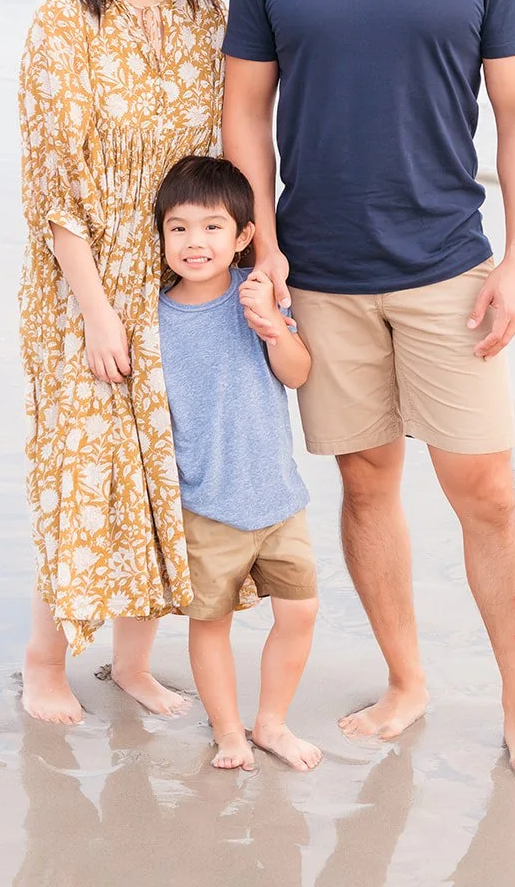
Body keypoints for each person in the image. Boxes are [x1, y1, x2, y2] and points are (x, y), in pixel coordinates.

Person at [221, 0, 515, 790]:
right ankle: (407, 678)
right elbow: (245, 112)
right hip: (321, 278)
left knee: (489, 492)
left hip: (448, 272)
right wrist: (265, 249)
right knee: (368, 485)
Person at [17, 0, 229, 724]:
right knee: (90, 467)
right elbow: (54, 187)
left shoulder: (204, 13)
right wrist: (100, 312)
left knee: (163, 475)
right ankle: (43, 661)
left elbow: (224, 148)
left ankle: (134, 665)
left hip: (180, 274)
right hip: (86, 282)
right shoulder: (65, 16)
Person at [154, 155, 321, 772]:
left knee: (300, 610)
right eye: (179, 228)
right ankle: (228, 732)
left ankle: (271, 722)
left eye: (213, 227)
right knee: (211, 623)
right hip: (208, 504)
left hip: (279, 498)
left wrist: (273, 328)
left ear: (244, 236)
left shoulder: (258, 296)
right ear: (163, 235)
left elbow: (299, 374)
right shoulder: (155, 319)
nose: (195, 242)